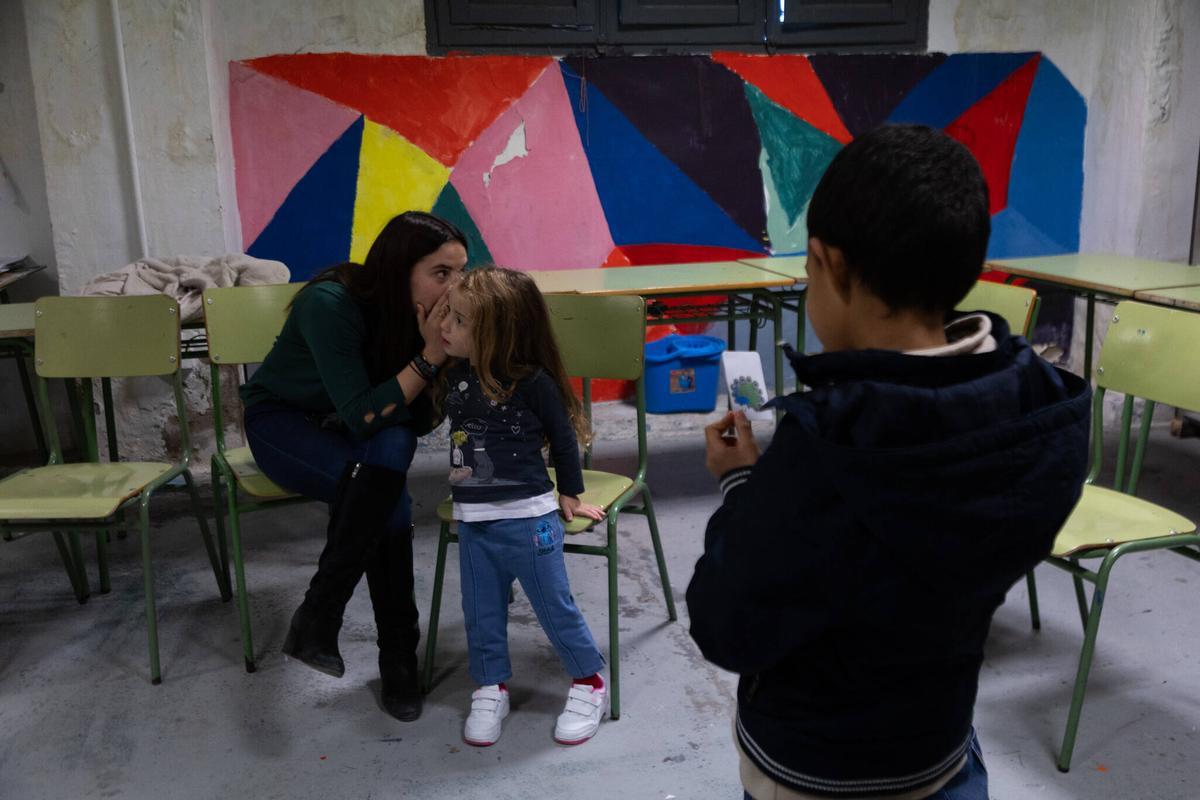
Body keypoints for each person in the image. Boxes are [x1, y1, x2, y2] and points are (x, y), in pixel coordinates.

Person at [686, 125, 1091, 799]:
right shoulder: (1043, 405)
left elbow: (727, 624)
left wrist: (741, 485)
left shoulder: (834, 444)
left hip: (817, 768)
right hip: (938, 745)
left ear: (830, 264)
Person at [240, 211, 469, 722]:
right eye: (441, 273)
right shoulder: (331, 303)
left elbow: (417, 420)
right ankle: (397, 661)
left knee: (388, 461)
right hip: (286, 423)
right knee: (387, 502)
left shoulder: (427, 316)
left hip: (364, 423)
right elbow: (363, 415)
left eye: (460, 273)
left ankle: (320, 617)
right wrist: (429, 358)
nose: (454, 287)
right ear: (400, 267)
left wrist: (442, 356)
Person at [435, 266, 609, 747]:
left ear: (497, 333)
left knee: (554, 608)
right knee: (481, 611)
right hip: (474, 522)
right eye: (446, 315)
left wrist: (570, 493)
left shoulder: (531, 382)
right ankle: (490, 685)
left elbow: (564, 440)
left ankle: (589, 683)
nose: (445, 326)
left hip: (528, 519)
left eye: (458, 320)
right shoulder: (455, 375)